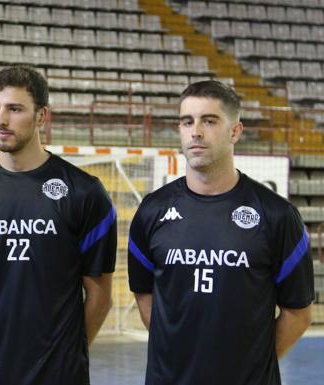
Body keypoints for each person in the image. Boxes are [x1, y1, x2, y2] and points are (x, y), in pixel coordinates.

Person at [0, 65, 117, 385]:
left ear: (41, 116)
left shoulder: (84, 192)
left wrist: (67, 353)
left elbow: (100, 295)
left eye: (15, 109)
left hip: (59, 373)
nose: (1, 120)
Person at [128, 80, 314, 385]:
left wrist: (249, 368)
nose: (196, 131)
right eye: (187, 121)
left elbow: (298, 314)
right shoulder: (152, 211)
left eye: (209, 120)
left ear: (235, 131)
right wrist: (177, 355)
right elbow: (144, 295)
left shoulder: (277, 215)